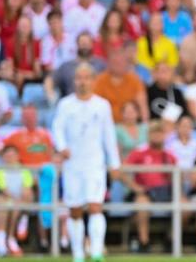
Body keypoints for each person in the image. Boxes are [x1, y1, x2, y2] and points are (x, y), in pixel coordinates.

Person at [52, 62, 121, 262]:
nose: (82, 82)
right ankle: (78, 254)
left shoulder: (102, 105)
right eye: (79, 78)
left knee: (95, 205)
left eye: (86, 78)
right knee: (75, 209)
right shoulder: (65, 105)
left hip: (95, 164)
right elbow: (57, 128)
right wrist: (62, 146)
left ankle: (97, 251)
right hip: (73, 165)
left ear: (93, 80)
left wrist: (114, 163)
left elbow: (109, 135)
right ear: (75, 81)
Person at [122, 121, 177, 253]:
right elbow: (121, 171)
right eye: (154, 132)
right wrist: (135, 187)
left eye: (159, 132)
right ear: (148, 135)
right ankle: (144, 242)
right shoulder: (140, 152)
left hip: (165, 192)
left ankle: (171, 239)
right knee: (142, 204)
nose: (157, 136)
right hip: (145, 192)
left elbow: (177, 177)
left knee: (184, 205)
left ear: (164, 135)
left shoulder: (169, 155)